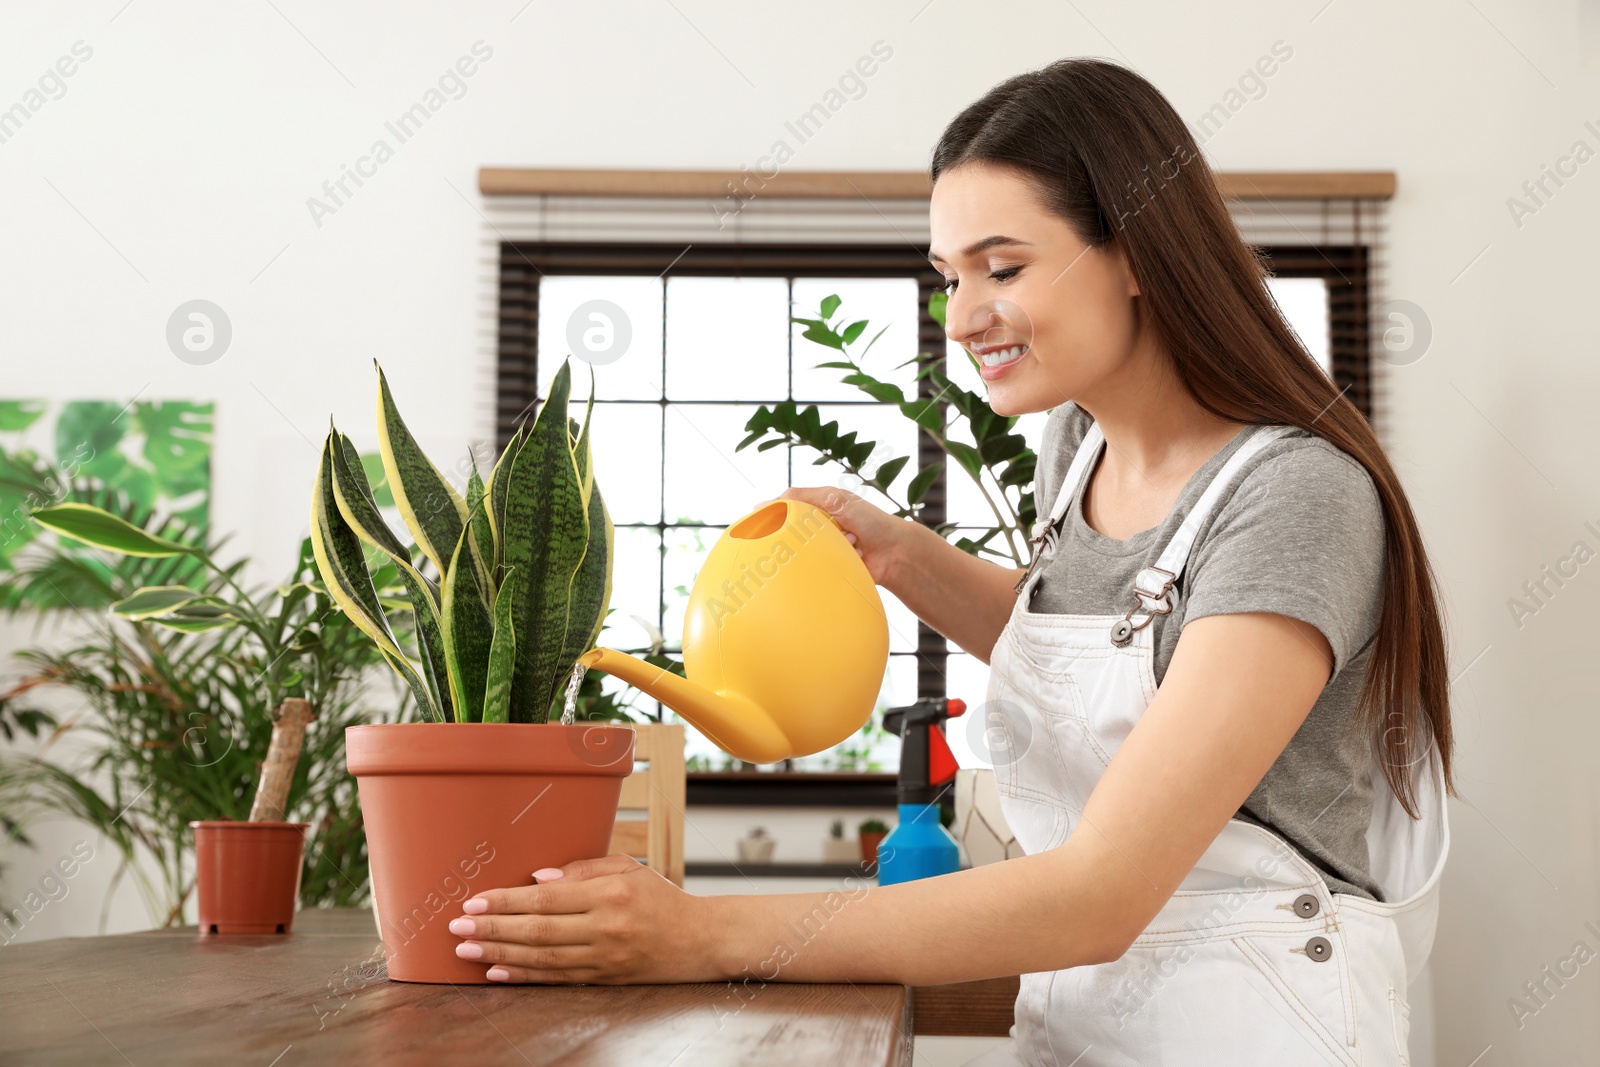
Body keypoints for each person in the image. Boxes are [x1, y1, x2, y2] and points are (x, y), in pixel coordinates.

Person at [446, 58, 1453, 1066]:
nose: (962, 317)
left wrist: (701, 931)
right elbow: (1124, 644)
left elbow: (1101, 891)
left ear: (1138, 251)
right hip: (1087, 1011)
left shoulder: (1298, 497)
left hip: (1255, 1022)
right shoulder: (1078, 448)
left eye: (1002, 267)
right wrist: (900, 556)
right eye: (949, 275)